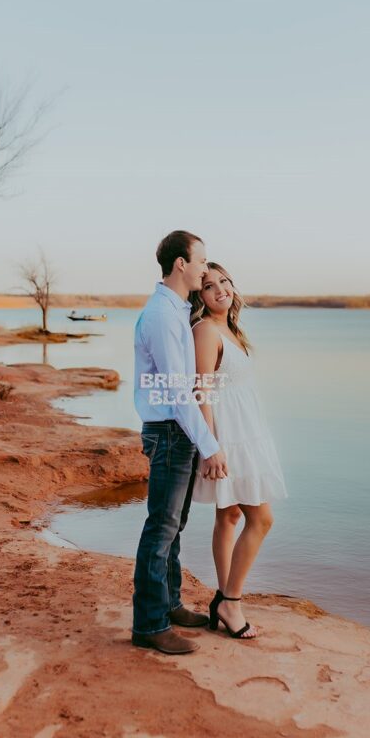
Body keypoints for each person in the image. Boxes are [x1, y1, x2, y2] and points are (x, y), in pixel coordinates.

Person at [132, 230, 228, 655]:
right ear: (180, 265)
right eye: (201, 262)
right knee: (161, 527)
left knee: (176, 525)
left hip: (177, 431)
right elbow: (177, 392)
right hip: (171, 432)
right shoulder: (161, 315)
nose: (206, 270)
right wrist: (210, 445)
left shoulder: (175, 310)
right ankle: (149, 625)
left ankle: (168, 605)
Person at [190, 262, 288, 640]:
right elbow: (203, 393)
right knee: (262, 520)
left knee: (230, 515)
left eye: (224, 281)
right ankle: (231, 600)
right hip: (228, 440)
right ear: (199, 296)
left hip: (248, 434)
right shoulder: (205, 331)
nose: (220, 290)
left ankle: (222, 599)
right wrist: (211, 447)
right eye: (209, 286)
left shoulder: (232, 330)